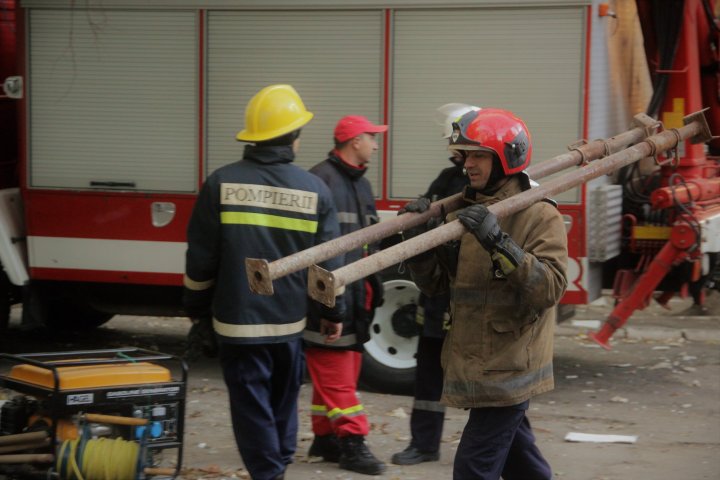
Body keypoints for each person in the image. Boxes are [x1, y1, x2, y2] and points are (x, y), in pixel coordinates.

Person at [183, 84, 346, 480]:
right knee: (283, 400)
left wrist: (197, 314)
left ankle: (269, 472)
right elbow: (327, 265)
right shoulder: (314, 190)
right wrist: (332, 312)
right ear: (293, 137)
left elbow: (201, 260)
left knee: (250, 403)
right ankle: (279, 463)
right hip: (288, 322)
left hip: (237, 323)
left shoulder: (220, 183)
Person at [402, 108, 568, 480]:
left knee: (473, 469)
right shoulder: (464, 210)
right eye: (466, 155)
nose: (468, 165)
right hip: (476, 359)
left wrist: (499, 243)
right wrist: (419, 246)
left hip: (509, 365)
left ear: (507, 157)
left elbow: (550, 288)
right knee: (519, 459)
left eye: (479, 155)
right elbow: (436, 287)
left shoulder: (539, 215)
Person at [391, 103, 477, 466]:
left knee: (487, 384)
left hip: (471, 299)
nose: (457, 154)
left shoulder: (497, 185)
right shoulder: (446, 178)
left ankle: (508, 451)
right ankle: (424, 444)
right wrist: (417, 215)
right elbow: (427, 228)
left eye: (458, 144)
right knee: (428, 373)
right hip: (440, 294)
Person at [303, 115, 387, 476]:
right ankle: (353, 443)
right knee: (336, 374)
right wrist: (329, 308)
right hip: (328, 301)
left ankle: (325, 438)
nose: (376, 144)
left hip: (353, 298)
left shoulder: (359, 183)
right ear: (354, 141)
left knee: (344, 371)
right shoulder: (320, 180)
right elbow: (319, 255)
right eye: (372, 138)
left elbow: (365, 246)